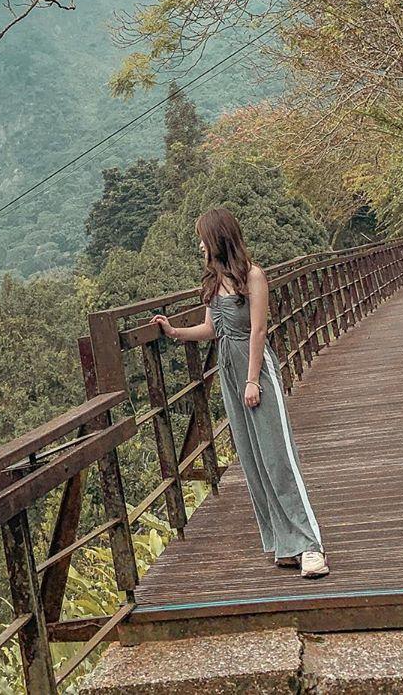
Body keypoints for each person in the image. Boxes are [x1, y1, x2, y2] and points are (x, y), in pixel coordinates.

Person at [151, 206, 329, 578]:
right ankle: (285, 543)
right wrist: (174, 333)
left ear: (217, 238)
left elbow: (259, 331)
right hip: (229, 372)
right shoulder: (214, 282)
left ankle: (311, 546)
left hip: (255, 371)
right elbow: (212, 329)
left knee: (278, 457)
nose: (199, 244)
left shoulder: (254, 276)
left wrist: (252, 381)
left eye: (203, 237)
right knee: (252, 459)